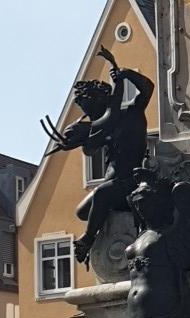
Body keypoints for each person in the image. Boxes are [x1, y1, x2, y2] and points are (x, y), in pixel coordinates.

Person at [40, 48, 153, 263]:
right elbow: (89, 149)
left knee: (101, 195)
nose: (88, 115)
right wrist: (75, 139)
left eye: (88, 107)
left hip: (132, 180)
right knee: (83, 212)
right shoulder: (102, 127)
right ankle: (113, 226)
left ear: (101, 101)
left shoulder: (131, 114)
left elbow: (148, 88)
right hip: (114, 184)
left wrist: (126, 74)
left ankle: (87, 240)